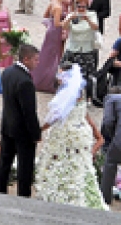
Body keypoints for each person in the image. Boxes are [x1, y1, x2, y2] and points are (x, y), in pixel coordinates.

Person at [34, 64, 107, 210]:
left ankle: (58, 193)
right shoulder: (80, 97)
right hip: (81, 136)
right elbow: (88, 119)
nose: (58, 78)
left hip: (65, 136)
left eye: (61, 75)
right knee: (78, 167)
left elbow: (54, 118)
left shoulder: (67, 97)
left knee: (60, 162)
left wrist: (37, 130)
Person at [0, 43, 42, 198]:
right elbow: (29, 112)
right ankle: (23, 196)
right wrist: (36, 134)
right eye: (35, 59)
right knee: (25, 167)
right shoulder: (26, 81)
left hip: (7, 125)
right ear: (26, 59)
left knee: (4, 162)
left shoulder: (7, 72)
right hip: (23, 132)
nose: (38, 63)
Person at [63, 0, 100, 102]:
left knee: (86, 76)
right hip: (73, 48)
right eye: (79, 6)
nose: (81, 9)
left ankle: (88, 97)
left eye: (83, 7)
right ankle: (71, 95)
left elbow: (96, 27)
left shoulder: (92, 14)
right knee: (70, 73)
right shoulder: (72, 15)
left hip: (86, 49)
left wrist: (87, 19)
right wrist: (69, 19)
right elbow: (64, 27)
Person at [33, 0, 67, 93]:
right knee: (52, 56)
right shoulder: (58, 7)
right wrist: (68, 20)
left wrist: (49, 25)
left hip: (51, 30)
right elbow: (57, 23)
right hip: (55, 32)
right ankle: (46, 82)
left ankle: (43, 78)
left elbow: (45, 16)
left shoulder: (53, 2)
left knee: (47, 54)